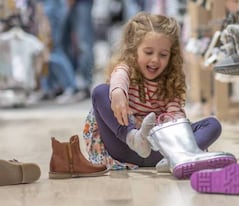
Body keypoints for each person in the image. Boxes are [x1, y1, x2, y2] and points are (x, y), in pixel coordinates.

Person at [83, 12, 224, 169]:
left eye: (163, 54)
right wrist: (117, 92)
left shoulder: (171, 81)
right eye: (148, 52)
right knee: (100, 92)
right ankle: (135, 138)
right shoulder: (127, 69)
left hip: (158, 153)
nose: (155, 60)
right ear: (134, 50)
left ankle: (178, 157)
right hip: (125, 147)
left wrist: (172, 131)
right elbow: (119, 77)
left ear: (171, 55)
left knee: (213, 124)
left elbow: (175, 116)